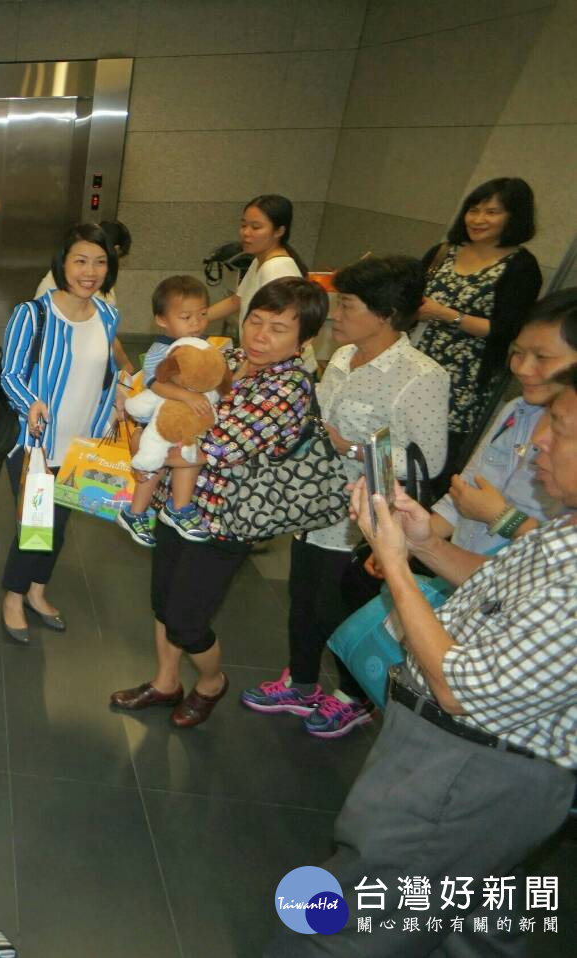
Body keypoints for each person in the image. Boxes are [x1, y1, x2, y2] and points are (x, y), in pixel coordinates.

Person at [266, 364, 577, 958]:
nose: (539, 440)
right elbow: (504, 588)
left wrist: (398, 568)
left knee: (355, 923)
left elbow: (465, 690)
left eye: (560, 428)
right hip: (478, 770)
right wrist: (427, 544)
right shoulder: (565, 531)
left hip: (468, 771)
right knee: (468, 920)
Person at [239, 256, 449, 739]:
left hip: (362, 517)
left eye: (347, 305)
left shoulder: (421, 376)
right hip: (311, 503)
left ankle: (353, 698)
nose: (335, 314)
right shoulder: (340, 357)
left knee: (343, 607)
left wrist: (351, 447)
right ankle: (303, 681)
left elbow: (428, 461)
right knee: (303, 596)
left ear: (386, 313)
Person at [108, 278, 330, 728]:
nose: (260, 336)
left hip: (226, 519)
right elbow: (166, 378)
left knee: (187, 620)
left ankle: (210, 683)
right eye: (256, 321)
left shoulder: (288, 387)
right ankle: (166, 681)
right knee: (162, 600)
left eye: (279, 329)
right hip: (177, 503)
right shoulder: (224, 356)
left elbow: (215, 446)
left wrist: (146, 444)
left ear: (304, 341)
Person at [0, 222, 122, 645]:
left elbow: (106, 372)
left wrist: (118, 398)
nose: (90, 271)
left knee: (60, 526)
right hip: (37, 444)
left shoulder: (107, 314)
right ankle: (13, 597)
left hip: (82, 446)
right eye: (81, 260)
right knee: (35, 525)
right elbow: (11, 374)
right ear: (62, 264)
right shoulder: (33, 313)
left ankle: (37, 591)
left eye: (100, 262)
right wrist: (29, 401)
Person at [427, 288, 577, 556]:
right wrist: (415, 541)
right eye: (518, 353)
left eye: (542, 358)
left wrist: (504, 518)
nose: (521, 368)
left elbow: (566, 559)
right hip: (460, 569)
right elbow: (467, 490)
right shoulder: (516, 411)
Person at [416, 177, 542, 477]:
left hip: (465, 380)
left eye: (491, 212)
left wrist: (447, 315)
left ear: (514, 217)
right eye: (474, 210)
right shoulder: (442, 252)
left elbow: (508, 329)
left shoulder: (520, 267)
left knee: (436, 457)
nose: (478, 219)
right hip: (418, 361)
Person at [115, 274, 213, 547]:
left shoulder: (203, 347)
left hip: (183, 424)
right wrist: (187, 395)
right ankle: (134, 512)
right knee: (151, 465)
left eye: (202, 314)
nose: (196, 323)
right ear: (162, 319)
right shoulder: (162, 349)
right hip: (156, 424)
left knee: (189, 460)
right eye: (186, 316)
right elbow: (155, 383)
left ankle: (178, 507)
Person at [35, 219, 138, 375]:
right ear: (115, 250)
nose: (90, 270)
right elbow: (104, 333)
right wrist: (125, 364)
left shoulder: (65, 272)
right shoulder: (89, 283)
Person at [201, 195, 307, 336]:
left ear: (279, 231)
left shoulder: (277, 269)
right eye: (244, 225)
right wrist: (197, 319)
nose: (245, 232)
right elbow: (236, 301)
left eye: (255, 227)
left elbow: (280, 329)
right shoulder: (259, 260)